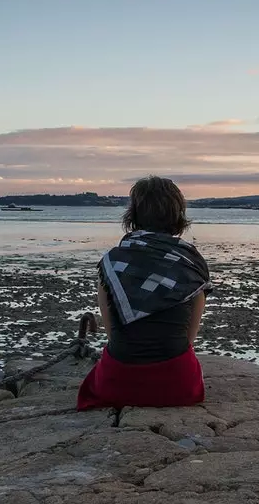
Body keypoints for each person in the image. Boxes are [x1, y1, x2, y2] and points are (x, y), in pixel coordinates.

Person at [77, 176, 211, 410]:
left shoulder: (111, 261)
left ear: (133, 214)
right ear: (178, 214)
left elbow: (111, 334)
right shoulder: (191, 261)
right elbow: (189, 338)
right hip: (178, 384)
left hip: (117, 382)